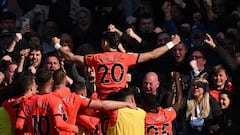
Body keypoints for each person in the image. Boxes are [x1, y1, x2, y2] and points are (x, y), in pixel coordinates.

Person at [52, 31, 181, 99]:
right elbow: (153, 54)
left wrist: (57, 44)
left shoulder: (96, 58)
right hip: (120, 99)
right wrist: (172, 43)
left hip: (103, 99)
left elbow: (71, 57)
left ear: (105, 43)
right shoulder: (126, 57)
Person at [51, 69, 137, 134]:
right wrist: (127, 104)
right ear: (65, 81)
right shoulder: (75, 98)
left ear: (52, 82)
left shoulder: (46, 98)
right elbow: (103, 105)